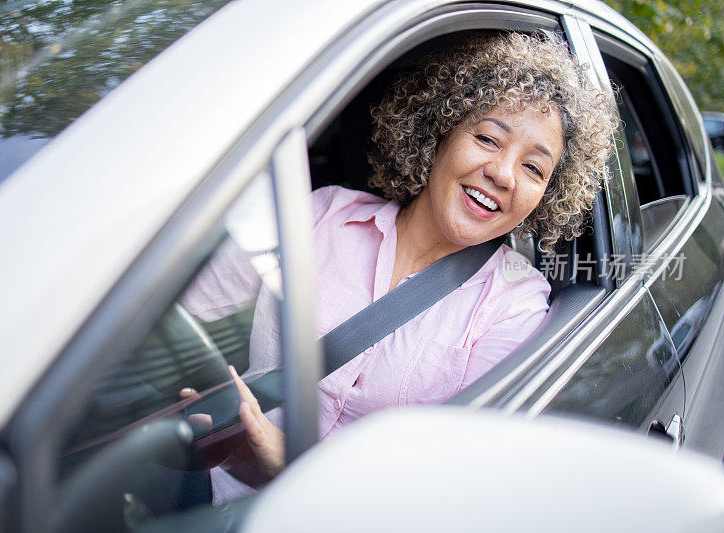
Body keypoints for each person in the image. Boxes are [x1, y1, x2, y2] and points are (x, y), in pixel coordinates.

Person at [181, 30, 616, 502]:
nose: (503, 174)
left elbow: (443, 486)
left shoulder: (516, 306)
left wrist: (287, 464)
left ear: (547, 195)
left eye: (534, 168)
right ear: (440, 134)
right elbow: (174, 310)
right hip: (208, 490)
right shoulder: (321, 216)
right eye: (488, 138)